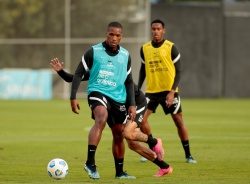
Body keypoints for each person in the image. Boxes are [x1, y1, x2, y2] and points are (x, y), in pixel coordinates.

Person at [50, 58, 173, 177]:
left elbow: (129, 85)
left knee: (128, 134)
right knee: (132, 144)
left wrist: (132, 105)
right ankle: (164, 167)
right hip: (121, 104)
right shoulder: (96, 72)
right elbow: (72, 78)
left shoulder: (116, 70)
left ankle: (155, 141)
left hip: (136, 102)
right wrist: (60, 71)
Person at [69, 22, 136, 180]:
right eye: (111, 34)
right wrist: (73, 97)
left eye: (117, 35)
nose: (114, 38)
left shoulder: (125, 55)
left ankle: (119, 172)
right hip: (97, 91)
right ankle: (90, 163)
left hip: (118, 97)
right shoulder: (94, 51)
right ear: (106, 34)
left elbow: (129, 81)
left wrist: (131, 104)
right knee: (101, 117)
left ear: (121, 36)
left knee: (119, 134)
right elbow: (78, 73)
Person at [138, 19, 197, 164]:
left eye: (159, 29)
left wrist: (172, 92)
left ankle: (188, 154)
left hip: (169, 91)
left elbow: (179, 71)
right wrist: (138, 89)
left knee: (178, 121)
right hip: (151, 92)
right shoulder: (144, 48)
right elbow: (142, 70)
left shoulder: (171, 47)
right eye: (154, 29)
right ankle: (153, 147)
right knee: (141, 120)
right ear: (151, 30)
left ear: (163, 30)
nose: (156, 31)